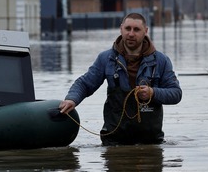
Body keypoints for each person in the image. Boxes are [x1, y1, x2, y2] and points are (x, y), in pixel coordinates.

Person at [59, 12, 182, 145]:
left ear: (145, 31)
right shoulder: (106, 58)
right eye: (128, 28)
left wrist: (153, 93)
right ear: (121, 29)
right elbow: (84, 84)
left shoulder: (161, 61)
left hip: (151, 142)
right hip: (114, 141)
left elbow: (176, 93)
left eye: (136, 29)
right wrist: (72, 99)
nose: (131, 34)